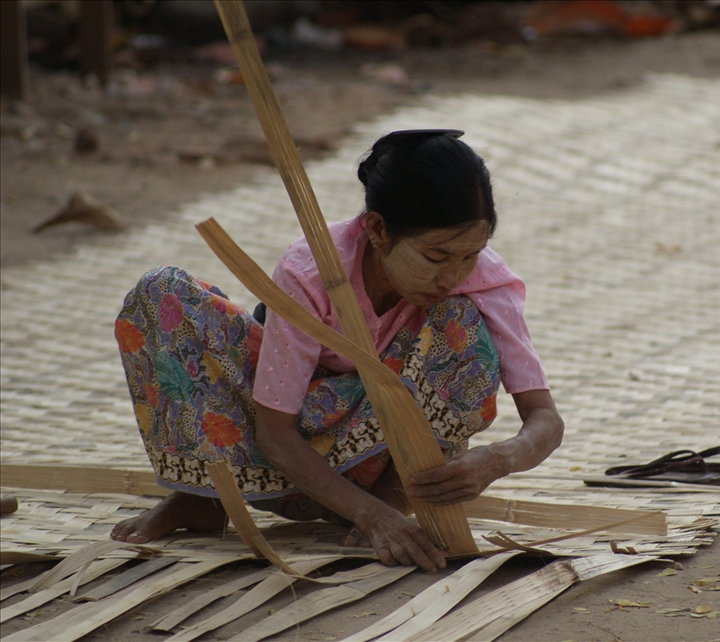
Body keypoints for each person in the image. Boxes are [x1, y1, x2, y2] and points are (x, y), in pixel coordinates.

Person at [110, 129, 564, 572]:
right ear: (379, 229)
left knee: (462, 322)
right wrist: (370, 517)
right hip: (269, 449)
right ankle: (205, 494)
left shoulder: (483, 280)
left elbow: (544, 418)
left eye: (470, 255)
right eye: (435, 257)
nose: (453, 276)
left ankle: (394, 495)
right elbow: (274, 432)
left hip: (376, 460)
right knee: (161, 293)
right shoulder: (311, 270)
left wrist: (497, 459)